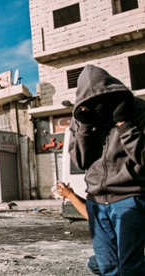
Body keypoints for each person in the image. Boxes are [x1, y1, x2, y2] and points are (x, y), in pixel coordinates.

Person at [69, 64, 145, 275]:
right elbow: (81, 161)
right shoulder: (81, 118)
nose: (95, 108)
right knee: (106, 266)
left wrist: (124, 124)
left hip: (129, 198)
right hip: (95, 202)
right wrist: (84, 128)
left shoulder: (137, 109)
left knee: (130, 267)